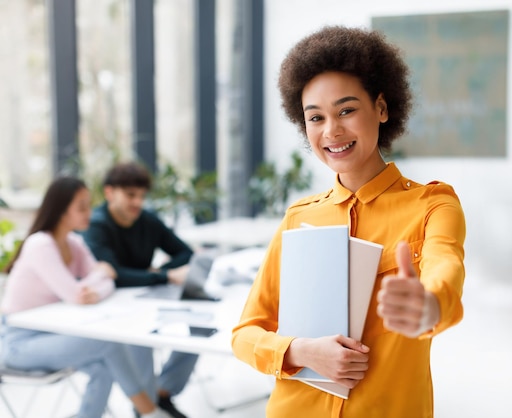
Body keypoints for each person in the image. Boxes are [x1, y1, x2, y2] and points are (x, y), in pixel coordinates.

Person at [231, 25, 466, 418]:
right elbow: (245, 334)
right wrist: (301, 351)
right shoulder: (299, 218)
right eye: (316, 117)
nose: (332, 130)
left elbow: (446, 265)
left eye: (346, 110)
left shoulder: (432, 204)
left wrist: (428, 306)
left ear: (382, 108)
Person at [0, 176, 173, 418]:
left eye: (88, 205)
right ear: (60, 211)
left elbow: (107, 280)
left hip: (53, 334)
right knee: (107, 341)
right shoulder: (40, 244)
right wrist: (96, 279)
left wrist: (98, 280)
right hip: (16, 343)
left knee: (103, 365)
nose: (88, 213)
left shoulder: (73, 242)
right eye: (81, 207)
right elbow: (76, 293)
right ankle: (150, 412)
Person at [82, 161, 203, 418]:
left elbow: (185, 252)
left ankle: (162, 394)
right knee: (140, 336)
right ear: (109, 193)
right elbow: (114, 276)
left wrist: (156, 274)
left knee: (200, 326)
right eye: (130, 195)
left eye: (141, 196)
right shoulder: (96, 225)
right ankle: (145, 406)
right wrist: (164, 275)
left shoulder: (146, 220)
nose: (137, 202)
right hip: (111, 306)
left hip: (148, 296)